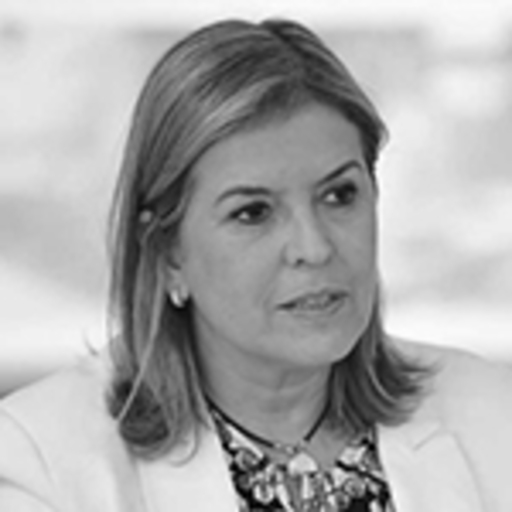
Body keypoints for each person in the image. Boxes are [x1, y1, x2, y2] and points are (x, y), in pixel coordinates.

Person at [0, 18, 511, 512]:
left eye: (339, 195)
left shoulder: (494, 415)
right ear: (167, 253)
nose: (314, 247)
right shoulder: (40, 462)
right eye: (253, 213)